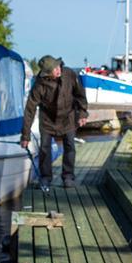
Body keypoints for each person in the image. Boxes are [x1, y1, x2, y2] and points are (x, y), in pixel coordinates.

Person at [20, 55, 88, 189]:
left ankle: (68, 177)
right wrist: (25, 135)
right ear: (47, 73)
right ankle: (45, 178)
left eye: (58, 66)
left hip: (68, 117)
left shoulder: (69, 74)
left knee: (70, 147)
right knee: (45, 149)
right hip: (47, 120)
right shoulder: (39, 84)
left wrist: (82, 113)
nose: (58, 70)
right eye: (54, 69)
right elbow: (30, 109)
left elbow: (80, 94)